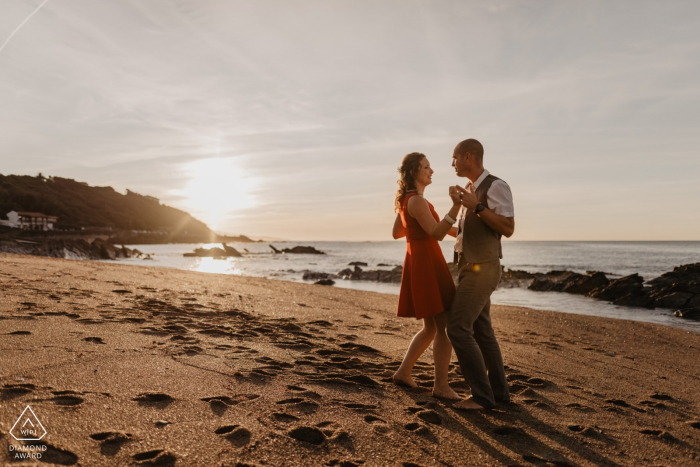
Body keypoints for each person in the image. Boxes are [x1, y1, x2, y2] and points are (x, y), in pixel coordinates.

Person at [448, 138, 515, 410]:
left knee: (457, 328)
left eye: (454, 158)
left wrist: (477, 206)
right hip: (469, 267)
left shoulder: (496, 186)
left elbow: (508, 228)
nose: (452, 164)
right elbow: (467, 234)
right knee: (482, 331)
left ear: (468, 156)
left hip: (483, 268)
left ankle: (481, 397)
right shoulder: (469, 189)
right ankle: (499, 394)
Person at [391, 152, 463, 400]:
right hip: (427, 263)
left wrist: (464, 232)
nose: (431, 171)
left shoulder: (408, 201)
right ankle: (441, 387)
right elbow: (436, 232)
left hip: (419, 261)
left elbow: (398, 232)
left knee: (431, 327)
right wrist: (456, 206)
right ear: (414, 172)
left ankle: (403, 372)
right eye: (426, 167)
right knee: (445, 327)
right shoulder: (417, 201)